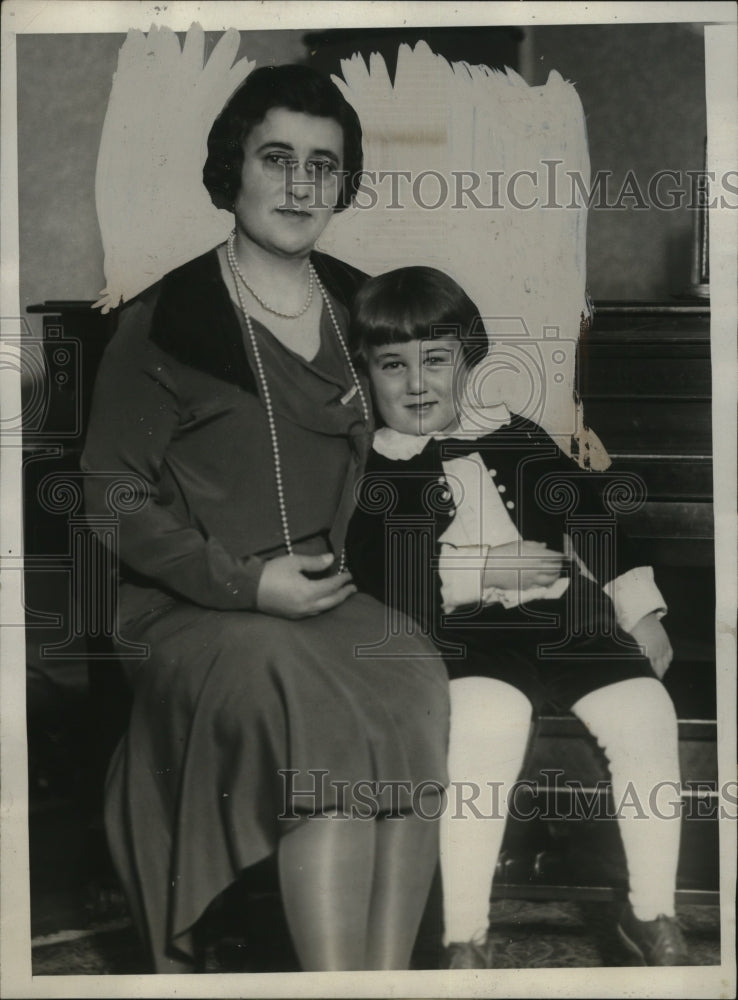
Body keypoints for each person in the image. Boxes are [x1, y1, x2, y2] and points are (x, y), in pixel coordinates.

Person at [82, 67, 450, 973]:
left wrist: (552, 437)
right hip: (191, 605)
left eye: (323, 166)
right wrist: (246, 582)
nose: (299, 185)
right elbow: (111, 498)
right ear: (231, 170)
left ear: (343, 184)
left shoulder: (363, 303)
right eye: (277, 158)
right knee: (306, 702)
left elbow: (435, 399)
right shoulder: (165, 320)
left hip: (326, 594)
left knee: (411, 668)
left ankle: (386, 981)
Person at [346, 266, 690, 969]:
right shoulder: (376, 467)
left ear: (466, 363)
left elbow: (592, 518)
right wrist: (485, 570)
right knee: (486, 724)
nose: (417, 384)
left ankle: (651, 911)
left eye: (436, 361)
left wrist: (640, 607)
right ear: (366, 373)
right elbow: (384, 576)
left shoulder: (514, 434)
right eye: (393, 365)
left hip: (565, 622)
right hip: (462, 637)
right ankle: (462, 934)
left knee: (646, 710)